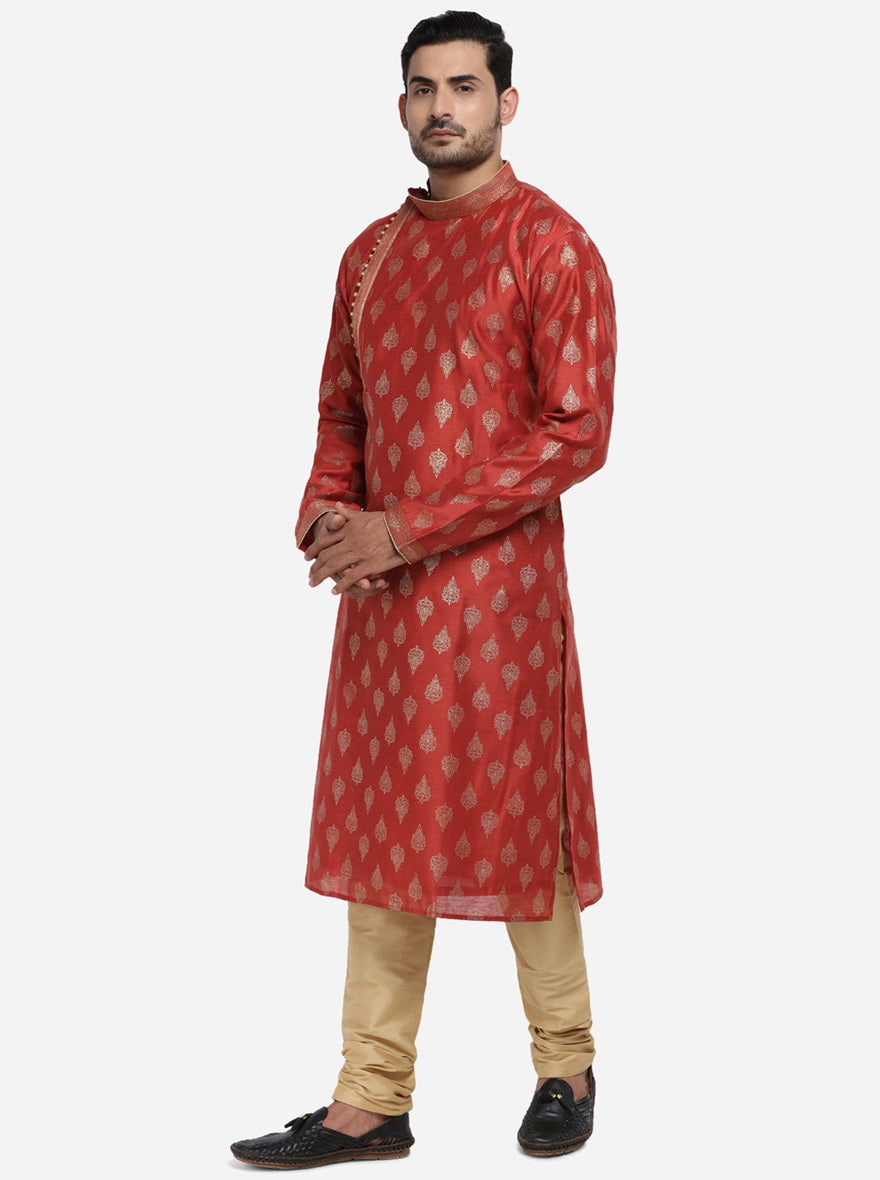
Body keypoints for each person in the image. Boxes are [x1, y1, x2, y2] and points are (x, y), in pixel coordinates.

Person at [231, 9, 616, 1169]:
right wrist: (327, 508)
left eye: (463, 85)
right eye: (421, 88)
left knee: (519, 832)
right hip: (384, 599)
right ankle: (370, 1098)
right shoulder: (369, 254)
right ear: (400, 105)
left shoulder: (550, 245)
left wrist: (408, 527)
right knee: (384, 830)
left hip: (499, 599)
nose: (440, 106)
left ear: (507, 102)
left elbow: (576, 433)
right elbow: (341, 409)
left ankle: (565, 1064)